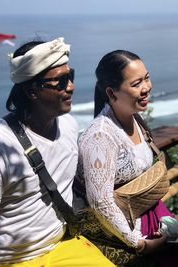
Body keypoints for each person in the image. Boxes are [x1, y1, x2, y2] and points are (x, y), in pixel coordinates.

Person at [0, 37, 116, 267]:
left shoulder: (69, 125)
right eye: (60, 81)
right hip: (14, 260)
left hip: (63, 246)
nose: (70, 86)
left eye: (70, 76)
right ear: (31, 91)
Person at [76, 50, 177, 266]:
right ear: (111, 93)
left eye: (147, 78)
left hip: (154, 218)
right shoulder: (100, 135)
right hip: (127, 235)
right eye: (136, 83)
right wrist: (140, 244)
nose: (146, 88)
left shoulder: (135, 119)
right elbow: (100, 201)